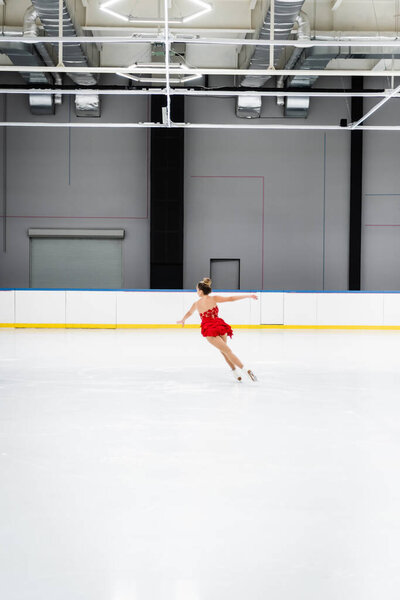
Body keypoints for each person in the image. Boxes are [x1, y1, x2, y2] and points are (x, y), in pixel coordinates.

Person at [176, 277, 258, 382]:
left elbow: (189, 313)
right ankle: (235, 372)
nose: (196, 292)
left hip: (210, 329)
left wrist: (183, 319)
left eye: (196, 290)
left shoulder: (197, 304)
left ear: (200, 292)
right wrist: (248, 296)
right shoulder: (214, 298)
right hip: (219, 325)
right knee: (224, 351)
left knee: (226, 351)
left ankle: (245, 370)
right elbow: (231, 298)